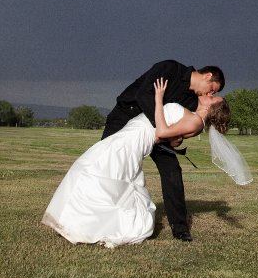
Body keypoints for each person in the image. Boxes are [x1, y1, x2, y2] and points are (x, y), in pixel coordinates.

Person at [42, 77, 230, 247]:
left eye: (214, 98)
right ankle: (81, 219)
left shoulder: (196, 122)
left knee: (98, 168)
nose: (210, 95)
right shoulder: (191, 115)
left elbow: (162, 132)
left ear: (212, 108)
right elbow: (172, 138)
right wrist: (176, 137)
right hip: (132, 132)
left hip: (135, 140)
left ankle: (90, 224)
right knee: (96, 166)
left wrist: (158, 98)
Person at [100, 60, 225, 240]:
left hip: (157, 134)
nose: (210, 93)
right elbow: (143, 95)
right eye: (213, 89)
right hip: (124, 118)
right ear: (208, 76)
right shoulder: (170, 68)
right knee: (104, 162)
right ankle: (104, 213)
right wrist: (161, 129)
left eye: (213, 94)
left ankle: (180, 228)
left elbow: (181, 125)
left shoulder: (192, 100)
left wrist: (175, 138)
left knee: (172, 170)